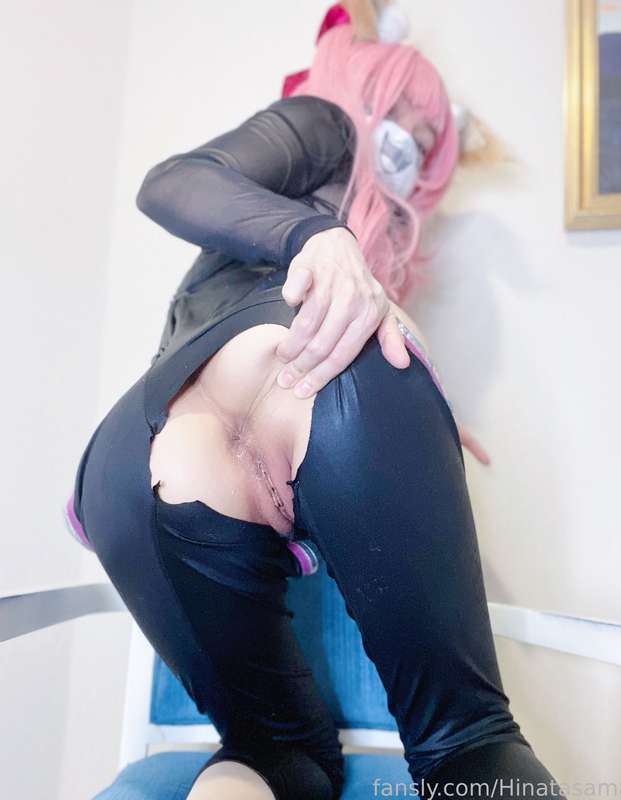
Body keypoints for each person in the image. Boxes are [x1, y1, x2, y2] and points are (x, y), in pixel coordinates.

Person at [65, 18, 560, 800]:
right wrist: (314, 235)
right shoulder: (324, 125)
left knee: (272, 749)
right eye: (401, 113)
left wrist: (424, 412)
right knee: (466, 740)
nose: (407, 143)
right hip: (305, 383)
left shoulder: (358, 256)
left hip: (145, 452)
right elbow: (172, 182)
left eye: (425, 139)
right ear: (359, 88)